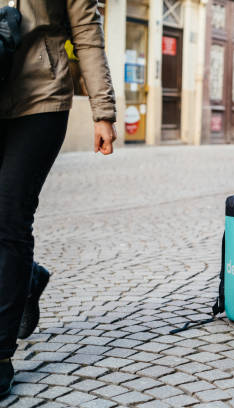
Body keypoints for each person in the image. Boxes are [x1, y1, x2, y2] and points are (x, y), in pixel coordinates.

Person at [0, 0, 117, 398]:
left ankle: (0, 355)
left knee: (9, 215)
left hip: (39, 96)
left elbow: (87, 33)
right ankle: (26, 276)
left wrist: (102, 112)